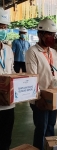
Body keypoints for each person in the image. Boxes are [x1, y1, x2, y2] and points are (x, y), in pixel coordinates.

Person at [25, 18, 57, 150]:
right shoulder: (32, 52)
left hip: (53, 96)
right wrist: (37, 98)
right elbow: (31, 77)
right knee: (41, 128)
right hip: (40, 98)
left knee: (51, 126)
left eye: (54, 35)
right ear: (40, 35)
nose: (52, 37)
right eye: (49, 34)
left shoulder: (54, 52)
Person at [0, 7, 16, 150]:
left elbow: (11, 72)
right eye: (0, 26)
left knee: (6, 138)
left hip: (9, 104)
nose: (3, 30)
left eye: (4, 27)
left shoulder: (8, 49)